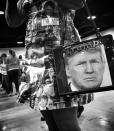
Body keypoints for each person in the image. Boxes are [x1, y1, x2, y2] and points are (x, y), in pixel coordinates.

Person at [5, 0, 93, 131]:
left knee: (67, 124)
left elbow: (79, 3)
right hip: (36, 63)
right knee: (52, 123)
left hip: (61, 58)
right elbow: (13, 21)